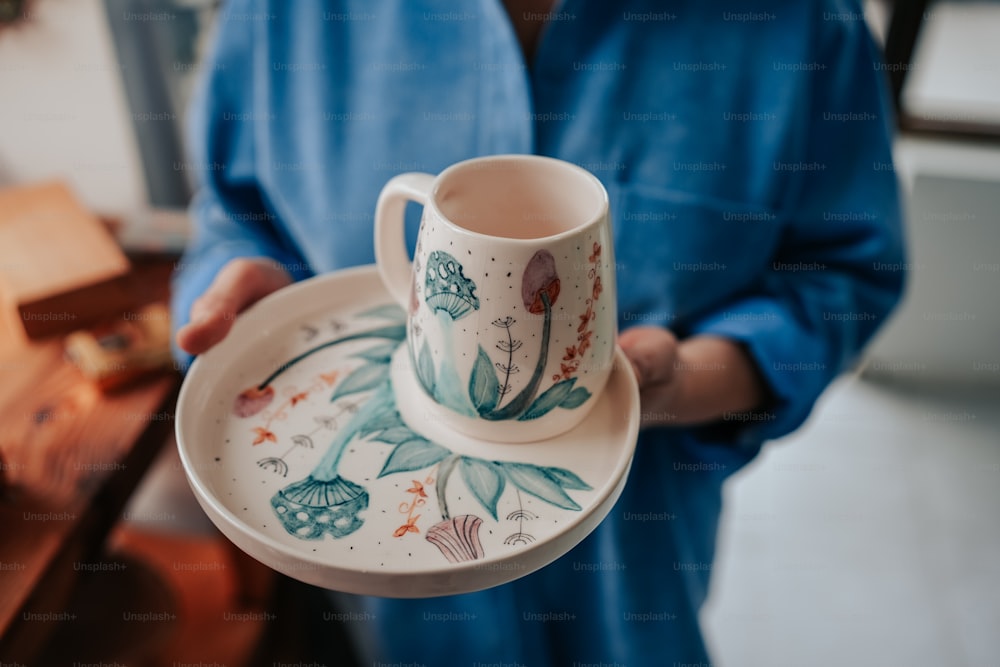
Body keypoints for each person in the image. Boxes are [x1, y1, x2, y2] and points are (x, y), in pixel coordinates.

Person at [172, 0, 906, 663]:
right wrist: (245, 297)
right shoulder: (280, 17)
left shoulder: (801, 25)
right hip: (389, 603)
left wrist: (687, 380)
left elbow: (841, 274)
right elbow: (232, 215)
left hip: (637, 576)